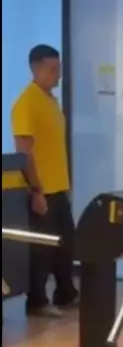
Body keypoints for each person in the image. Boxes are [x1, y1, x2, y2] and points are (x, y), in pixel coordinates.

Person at [11, 44, 78, 318]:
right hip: (41, 189)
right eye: (52, 69)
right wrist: (36, 190)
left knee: (66, 243)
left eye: (58, 68)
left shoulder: (51, 101)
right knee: (42, 249)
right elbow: (24, 152)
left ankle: (66, 292)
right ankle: (37, 301)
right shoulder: (26, 103)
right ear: (37, 68)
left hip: (59, 187)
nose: (58, 74)